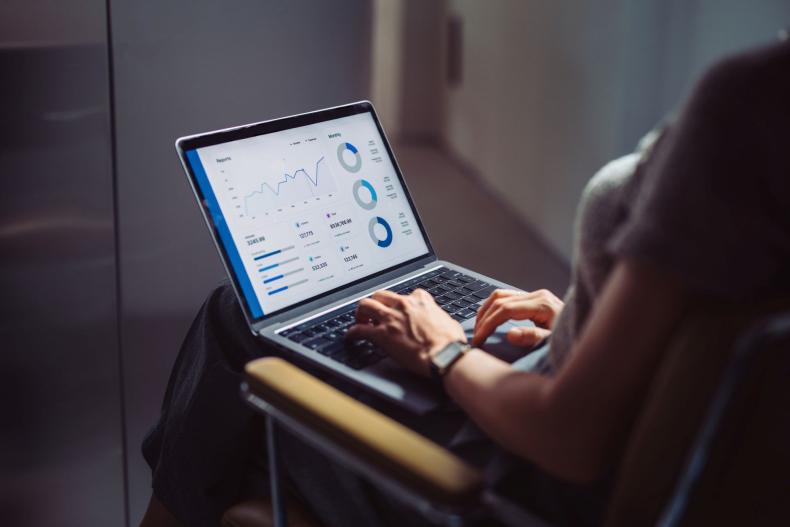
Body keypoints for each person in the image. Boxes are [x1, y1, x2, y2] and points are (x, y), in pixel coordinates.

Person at [141, 39, 790, 527]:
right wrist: (579, 323)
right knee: (283, 350)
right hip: (558, 402)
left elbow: (569, 440)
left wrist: (443, 353)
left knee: (237, 333)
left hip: (507, 478)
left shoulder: (746, 103)